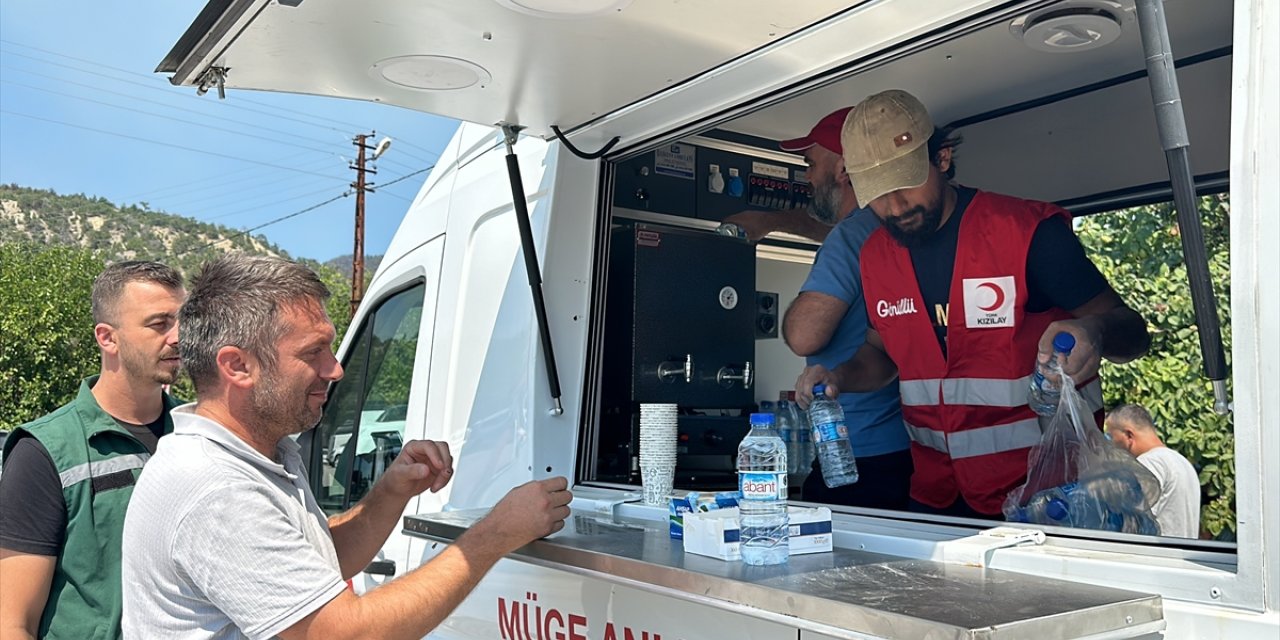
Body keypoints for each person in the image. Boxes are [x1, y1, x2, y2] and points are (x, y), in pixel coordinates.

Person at [120, 255, 571, 640]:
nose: (334, 370)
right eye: (313, 352)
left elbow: (312, 569)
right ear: (238, 366)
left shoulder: (259, 454)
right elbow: (343, 633)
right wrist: (495, 535)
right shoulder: (214, 485)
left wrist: (392, 491)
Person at [798, 89, 1150, 519]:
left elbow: (1132, 334)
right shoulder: (874, 256)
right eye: (877, 193)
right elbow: (881, 355)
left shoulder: (1026, 235)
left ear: (942, 159)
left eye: (906, 184)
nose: (894, 206)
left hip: (1042, 498)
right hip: (934, 497)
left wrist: (1095, 331)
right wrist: (837, 376)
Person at [0, 261, 185, 640]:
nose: (179, 336)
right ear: (107, 338)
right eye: (159, 323)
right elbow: (12, 623)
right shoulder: (46, 452)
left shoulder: (197, 434)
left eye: (183, 321)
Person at [754, 107, 912, 509]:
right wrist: (770, 220)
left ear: (843, 167)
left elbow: (804, 334)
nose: (806, 177)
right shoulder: (890, 226)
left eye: (810, 164)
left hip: (857, 453)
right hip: (907, 447)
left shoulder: (849, 237)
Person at [1105, 404, 1201, 538]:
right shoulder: (1182, 462)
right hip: (1180, 554)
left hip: (1158, 554)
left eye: (1111, 437)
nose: (1111, 445)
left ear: (1128, 436)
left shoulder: (1149, 463)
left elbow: (1134, 522)